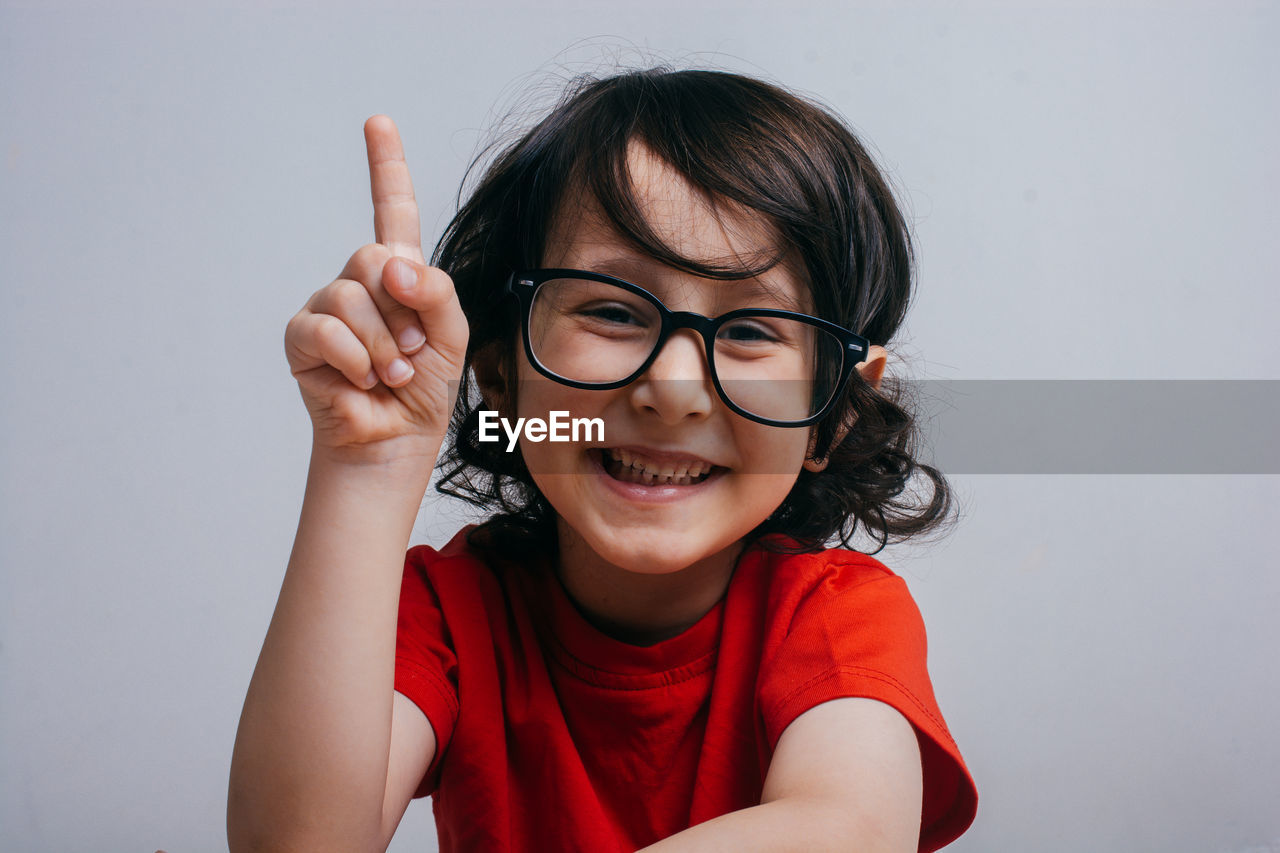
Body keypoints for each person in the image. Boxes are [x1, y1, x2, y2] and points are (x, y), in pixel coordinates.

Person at [228, 67, 978, 852]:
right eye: (614, 310)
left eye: (753, 329)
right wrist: (366, 471)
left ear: (834, 413)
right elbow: (297, 842)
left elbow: (847, 827)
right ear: (500, 373)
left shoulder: (834, 618)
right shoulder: (449, 612)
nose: (673, 387)